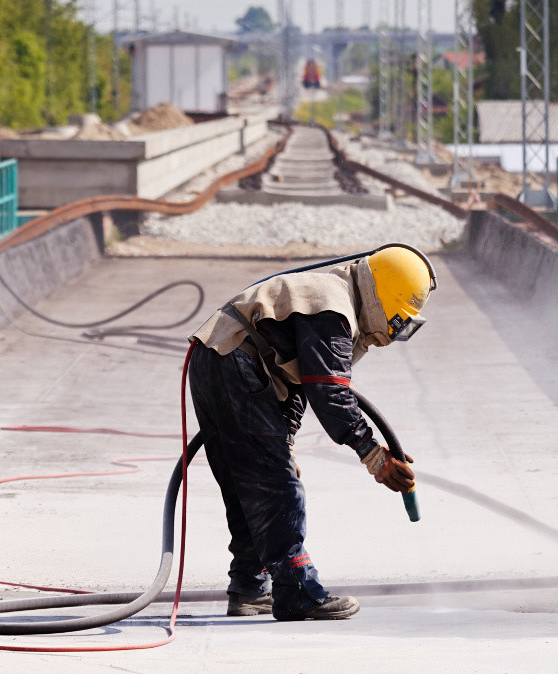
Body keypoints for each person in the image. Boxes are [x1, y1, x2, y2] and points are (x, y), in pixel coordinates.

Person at [186, 244, 435, 622]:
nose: (392, 333)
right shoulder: (334, 309)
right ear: (386, 299)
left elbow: (298, 381)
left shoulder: (333, 296)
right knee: (277, 487)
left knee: (249, 485)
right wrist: (373, 455)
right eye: (398, 322)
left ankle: (249, 589)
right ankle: (299, 592)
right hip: (236, 362)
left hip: (215, 360)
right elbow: (330, 393)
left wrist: (284, 440)